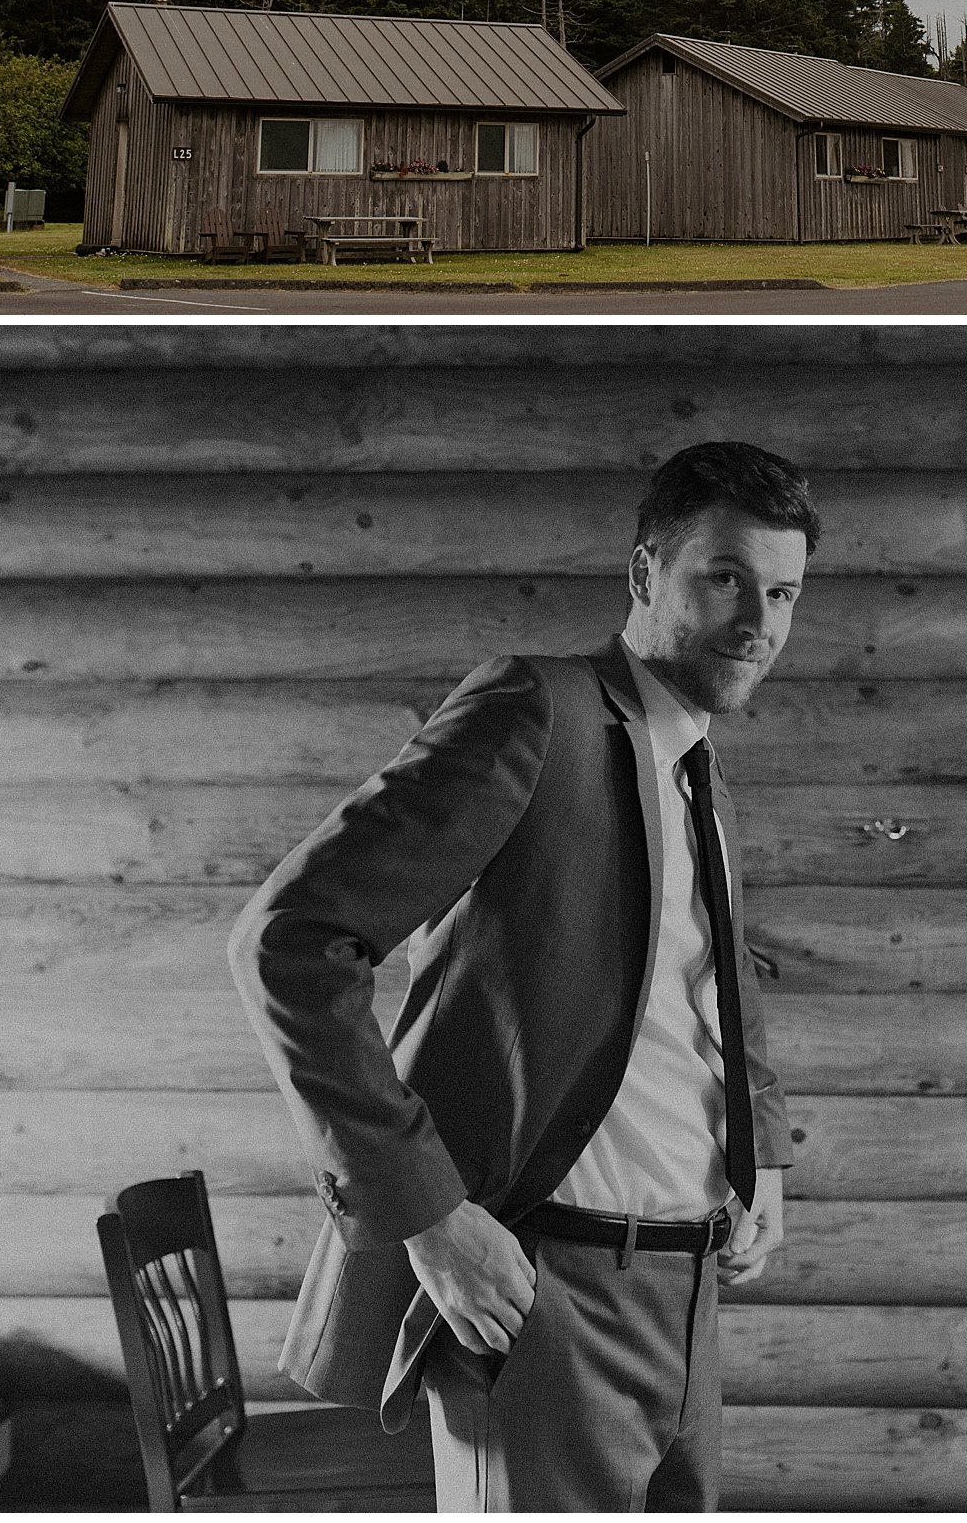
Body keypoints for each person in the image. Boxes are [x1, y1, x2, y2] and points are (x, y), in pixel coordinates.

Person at [228, 439, 821, 1513]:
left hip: (686, 1291)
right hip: (547, 1293)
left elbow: (714, 975)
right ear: (646, 574)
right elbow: (291, 940)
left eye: (781, 592)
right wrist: (428, 1217)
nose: (759, 623)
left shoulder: (697, 768)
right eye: (725, 578)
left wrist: (760, 1152)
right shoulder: (535, 713)